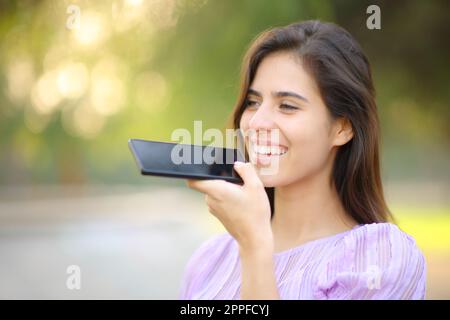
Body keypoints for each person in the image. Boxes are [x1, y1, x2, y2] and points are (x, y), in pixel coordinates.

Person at [179, 20, 426, 300]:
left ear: (342, 128)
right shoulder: (210, 259)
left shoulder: (381, 259)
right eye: (252, 102)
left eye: (287, 106)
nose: (256, 122)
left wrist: (255, 247)